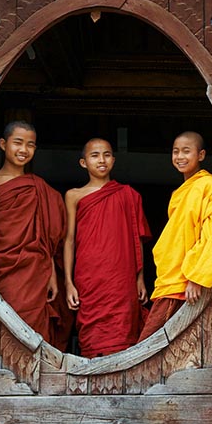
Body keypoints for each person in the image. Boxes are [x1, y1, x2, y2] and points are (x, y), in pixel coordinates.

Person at [0, 121, 72, 349]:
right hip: (2, 268)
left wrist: (51, 274)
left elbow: (46, 238)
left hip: (35, 271)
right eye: (18, 143)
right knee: (2, 327)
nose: (24, 150)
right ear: (3, 144)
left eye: (30, 145)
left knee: (34, 331)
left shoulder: (38, 187)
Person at [63, 138, 151, 357]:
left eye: (107, 155)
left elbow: (137, 238)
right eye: (95, 155)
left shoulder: (129, 195)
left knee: (123, 335)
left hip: (121, 279)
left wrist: (140, 277)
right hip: (89, 277)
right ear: (83, 162)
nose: (101, 160)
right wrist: (68, 282)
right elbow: (69, 240)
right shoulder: (74, 195)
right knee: (93, 338)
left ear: (113, 159)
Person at [137, 131, 212, 341]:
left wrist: (197, 277)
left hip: (184, 282)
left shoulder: (207, 186)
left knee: (149, 343)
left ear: (201, 155)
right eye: (176, 151)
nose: (180, 157)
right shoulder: (179, 193)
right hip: (170, 277)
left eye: (186, 151)